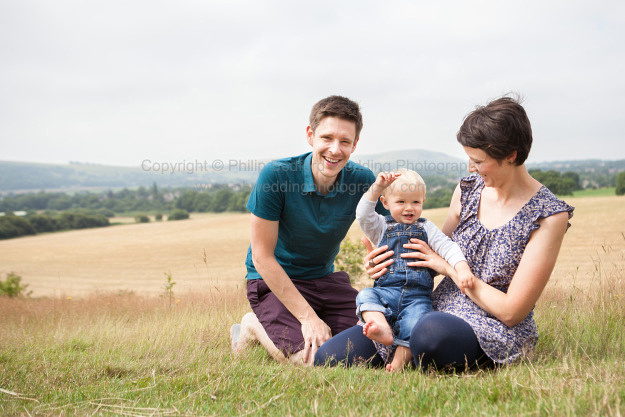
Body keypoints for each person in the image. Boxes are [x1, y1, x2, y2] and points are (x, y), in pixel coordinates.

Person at [314, 96, 574, 371]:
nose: (471, 168)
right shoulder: (467, 190)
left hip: (489, 323)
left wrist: (450, 270)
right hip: (427, 307)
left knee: (430, 334)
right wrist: (386, 261)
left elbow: (511, 312)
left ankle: (412, 351)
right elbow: (428, 253)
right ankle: (406, 347)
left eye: (478, 160)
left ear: (510, 155)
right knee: (330, 357)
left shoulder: (548, 215)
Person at [230, 95, 387, 366]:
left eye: (345, 141)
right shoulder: (276, 176)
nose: (335, 150)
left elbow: (392, 234)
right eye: (326, 138)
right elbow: (261, 257)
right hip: (274, 281)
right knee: (312, 359)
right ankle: (252, 324)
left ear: (355, 144)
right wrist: (308, 318)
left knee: (377, 344)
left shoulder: (362, 180)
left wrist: (380, 260)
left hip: (325, 280)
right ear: (310, 135)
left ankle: (305, 321)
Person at [355, 168, 475, 371]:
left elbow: (448, 247)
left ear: (423, 202)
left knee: (415, 323)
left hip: (417, 296)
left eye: (415, 202)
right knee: (365, 295)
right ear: (385, 203)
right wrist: (377, 188)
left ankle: (399, 363)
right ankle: (380, 327)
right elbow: (363, 214)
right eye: (401, 202)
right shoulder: (381, 227)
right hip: (387, 292)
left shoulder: (427, 228)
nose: (409, 208)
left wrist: (462, 269)